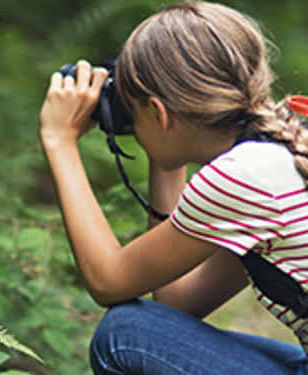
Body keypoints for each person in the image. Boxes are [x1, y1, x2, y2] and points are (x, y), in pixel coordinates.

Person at [38, 1, 308, 374]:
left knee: (123, 334)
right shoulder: (283, 151)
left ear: (160, 113)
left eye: (134, 113)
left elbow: (107, 281)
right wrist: (166, 154)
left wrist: (60, 140)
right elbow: (178, 302)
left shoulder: (244, 177)